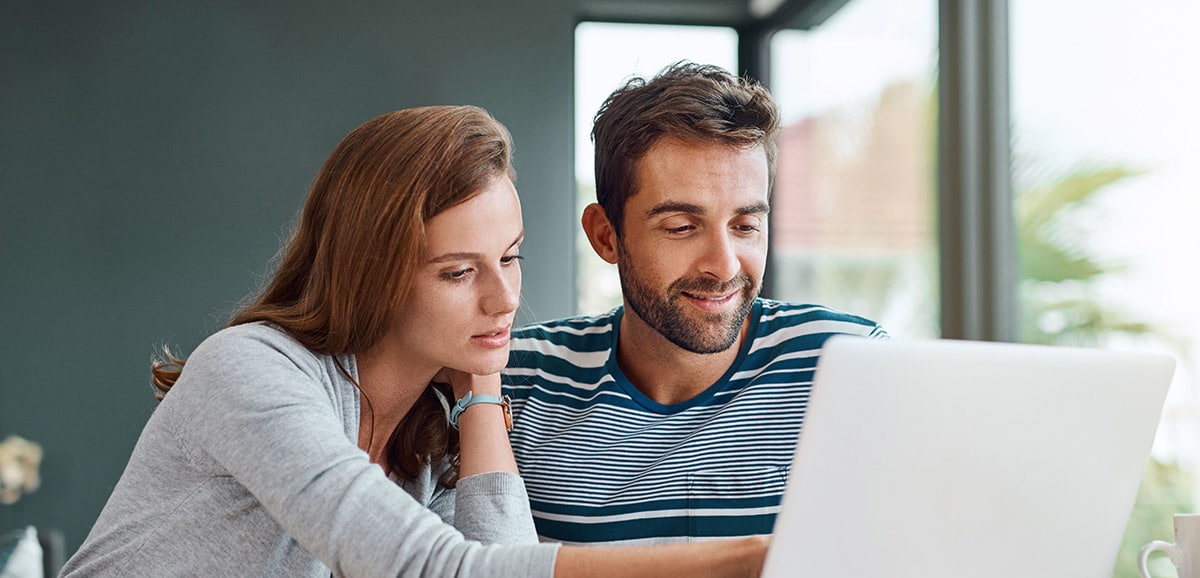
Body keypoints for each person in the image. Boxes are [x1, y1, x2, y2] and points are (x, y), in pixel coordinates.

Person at [61, 106, 767, 577]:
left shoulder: (424, 444)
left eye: (511, 258)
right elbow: (430, 568)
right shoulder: (248, 371)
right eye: (459, 272)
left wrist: (481, 387)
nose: (505, 299)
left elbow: (493, 562)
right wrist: (751, 558)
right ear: (373, 273)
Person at [503, 62, 888, 545]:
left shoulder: (850, 362)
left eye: (746, 225)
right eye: (682, 227)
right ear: (606, 235)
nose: (723, 266)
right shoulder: (518, 378)